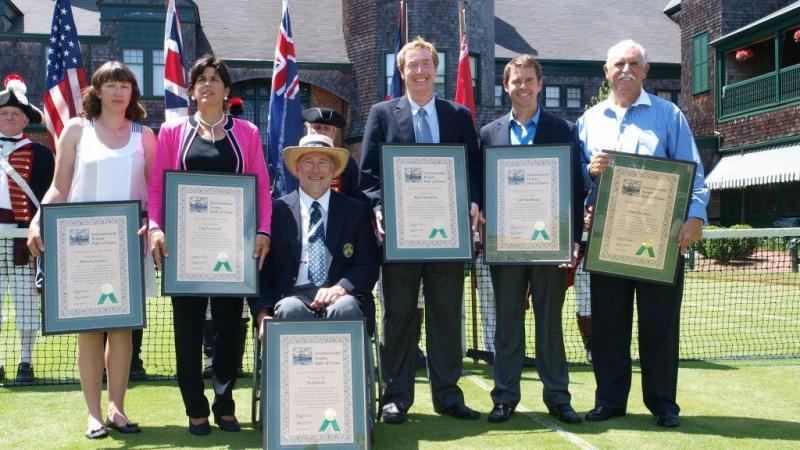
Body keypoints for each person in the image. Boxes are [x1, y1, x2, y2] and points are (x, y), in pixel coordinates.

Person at [578, 40, 708, 428]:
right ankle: (610, 400)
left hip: (660, 243)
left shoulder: (670, 115)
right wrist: (591, 173)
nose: (626, 70)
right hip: (608, 242)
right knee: (608, 328)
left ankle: (663, 404)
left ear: (646, 71)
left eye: (634, 63)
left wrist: (695, 217)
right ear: (606, 71)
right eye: (618, 63)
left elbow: (693, 171)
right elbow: (577, 177)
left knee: (660, 327)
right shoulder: (588, 120)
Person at [360, 37, 484, 424]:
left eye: (425, 65)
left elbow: (474, 170)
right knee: (398, 316)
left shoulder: (458, 116)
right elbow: (368, 175)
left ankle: (448, 395)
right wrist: (378, 207)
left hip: (448, 237)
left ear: (436, 69)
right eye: (411, 66)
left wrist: (475, 202)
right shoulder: (382, 114)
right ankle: (395, 397)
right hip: (400, 236)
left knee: (446, 314)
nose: (419, 72)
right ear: (401, 72)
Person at [27, 61, 153, 439]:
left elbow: (156, 196)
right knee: (90, 329)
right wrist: (37, 219)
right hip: (81, 247)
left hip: (129, 247)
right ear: (97, 91)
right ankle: (93, 414)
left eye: (125, 85)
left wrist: (154, 223)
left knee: (122, 331)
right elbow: (58, 188)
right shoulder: (76, 130)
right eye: (111, 85)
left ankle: (117, 408)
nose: (118, 92)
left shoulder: (145, 136)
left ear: (132, 93)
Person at [147, 54, 272, 436]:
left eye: (215, 78)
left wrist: (263, 231)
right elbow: (157, 189)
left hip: (232, 251)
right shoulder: (172, 132)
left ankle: (224, 401)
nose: (207, 84)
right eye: (200, 78)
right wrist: (155, 227)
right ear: (191, 91)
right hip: (185, 250)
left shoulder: (247, 132)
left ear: (227, 90)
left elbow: (262, 187)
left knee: (229, 330)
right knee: (186, 329)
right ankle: (195, 407)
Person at [479, 54, 584, 424]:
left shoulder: (563, 130)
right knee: (507, 324)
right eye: (515, 81)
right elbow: (482, 188)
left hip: (550, 246)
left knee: (549, 324)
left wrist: (573, 239)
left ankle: (558, 396)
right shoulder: (489, 133)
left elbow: (573, 187)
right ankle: (504, 397)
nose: (522, 87)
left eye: (529, 80)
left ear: (540, 85)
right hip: (504, 245)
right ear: (505, 86)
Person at [253, 133, 379, 327]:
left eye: (323, 162)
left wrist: (341, 288)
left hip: (339, 296)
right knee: (289, 309)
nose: (315, 169)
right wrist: (262, 315)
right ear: (296, 168)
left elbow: (368, 265)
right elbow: (263, 272)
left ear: (334, 169)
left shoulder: (356, 211)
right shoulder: (276, 212)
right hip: (292, 295)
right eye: (308, 162)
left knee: (345, 307)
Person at [0, 74, 54, 384]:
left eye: (15, 114)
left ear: (24, 119)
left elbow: (48, 195)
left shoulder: (42, 155)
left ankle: (26, 360)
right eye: (4, 113)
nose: (9, 118)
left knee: (25, 302)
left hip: (23, 239)